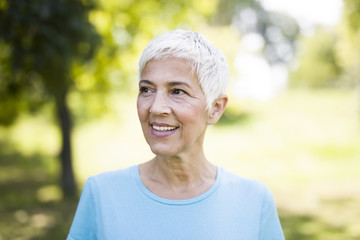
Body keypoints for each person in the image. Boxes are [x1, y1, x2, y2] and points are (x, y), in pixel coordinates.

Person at [67, 29, 285, 240]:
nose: (155, 107)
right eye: (146, 89)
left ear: (216, 108)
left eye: (177, 91)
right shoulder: (102, 194)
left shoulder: (254, 202)